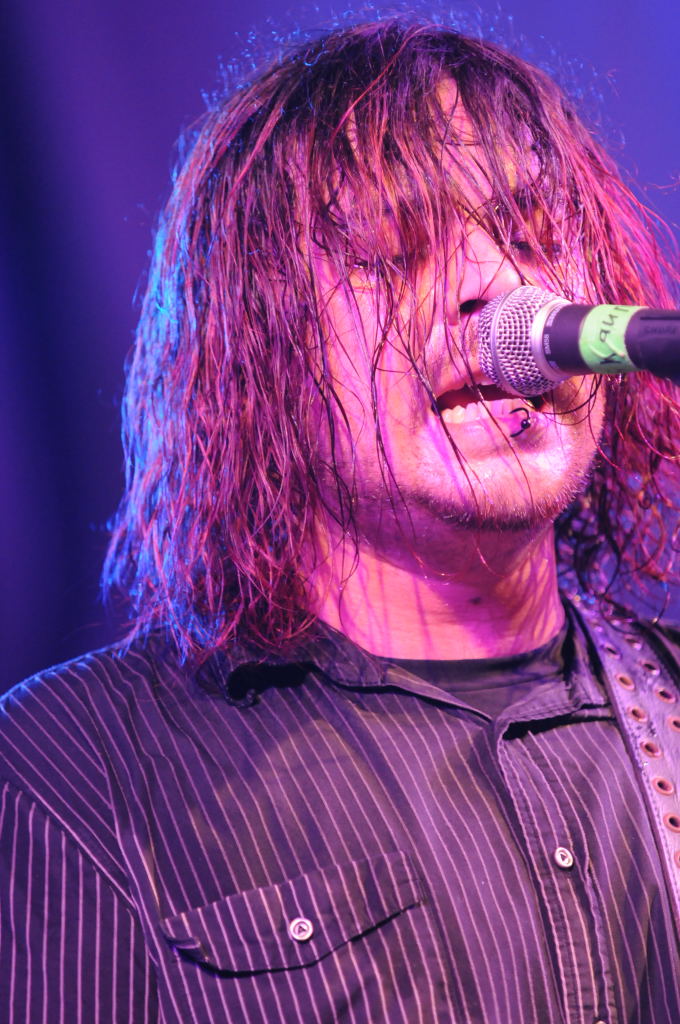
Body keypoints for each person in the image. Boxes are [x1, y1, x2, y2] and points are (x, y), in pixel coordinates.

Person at [1, 15, 679, 1024]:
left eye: (532, 234)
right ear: (260, 353)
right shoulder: (71, 773)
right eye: (390, 252)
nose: (499, 287)